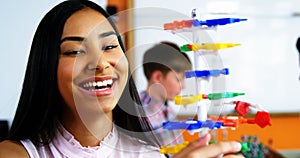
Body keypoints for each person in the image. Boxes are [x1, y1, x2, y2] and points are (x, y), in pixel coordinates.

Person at [0, 0, 243, 157]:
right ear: (46, 67)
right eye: (75, 51)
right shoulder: (14, 154)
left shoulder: (148, 153)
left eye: (109, 46)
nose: (101, 63)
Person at [140, 42, 191, 146]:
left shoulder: (168, 109)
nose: (184, 86)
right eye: (179, 79)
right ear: (158, 77)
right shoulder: (141, 114)